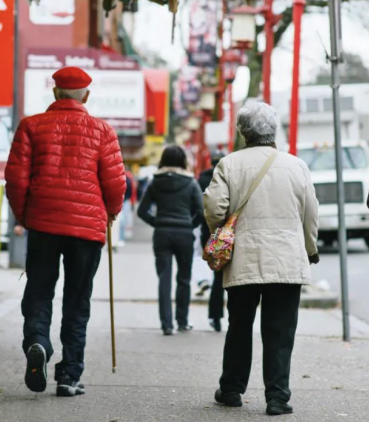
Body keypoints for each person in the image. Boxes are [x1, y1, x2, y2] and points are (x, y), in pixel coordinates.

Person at [5, 66, 126, 397]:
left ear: (56, 93)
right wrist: (112, 212)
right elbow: (115, 182)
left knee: (40, 291)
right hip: (86, 231)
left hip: (43, 224)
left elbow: (15, 178)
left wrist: (25, 214)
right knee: (77, 299)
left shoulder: (31, 126)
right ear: (86, 95)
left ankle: (38, 342)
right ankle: (70, 375)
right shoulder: (103, 131)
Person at [204, 101, 319, 416]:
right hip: (286, 258)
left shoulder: (228, 165)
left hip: (243, 256)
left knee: (239, 324)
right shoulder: (297, 166)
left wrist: (222, 232)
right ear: (274, 131)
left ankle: (231, 388)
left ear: (242, 131)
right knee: (280, 331)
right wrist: (310, 247)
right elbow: (311, 214)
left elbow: (215, 208)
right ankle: (277, 397)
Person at [136, 145, 204, 336]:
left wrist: (157, 222)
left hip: (162, 234)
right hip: (184, 234)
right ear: (183, 161)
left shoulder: (155, 182)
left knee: (164, 279)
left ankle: (166, 324)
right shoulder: (191, 183)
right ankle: (182, 321)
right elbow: (201, 211)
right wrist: (190, 225)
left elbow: (142, 211)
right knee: (184, 279)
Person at [198, 150, 226, 332]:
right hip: (227, 233)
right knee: (226, 277)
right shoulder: (227, 178)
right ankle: (226, 315)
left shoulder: (201, 180)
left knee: (216, 276)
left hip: (207, 232)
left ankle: (215, 316)